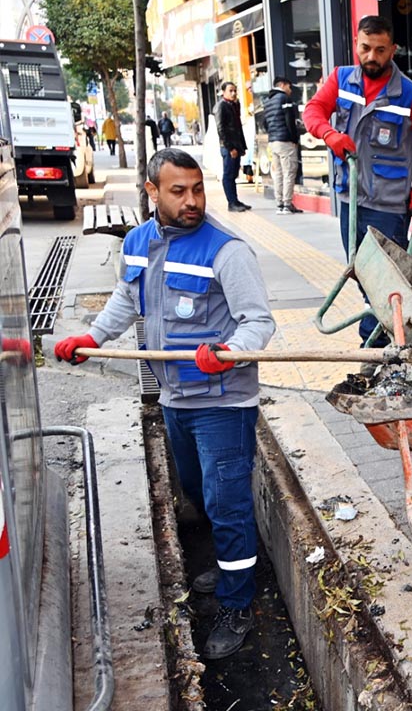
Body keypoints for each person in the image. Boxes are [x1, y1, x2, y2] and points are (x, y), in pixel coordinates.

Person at [52, 148, 276, 660]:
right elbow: (127, 301)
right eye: (179, 191)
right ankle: (225, 565)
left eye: (198, 189)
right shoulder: (137, 243)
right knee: (198, 492)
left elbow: (259, 323)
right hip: (175, 400)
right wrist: (92, 337)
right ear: (151, 191)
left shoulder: (228, 251)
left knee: (228, 505)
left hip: (223, 403)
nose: (192, 200)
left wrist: (230, 354)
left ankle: (238, 602)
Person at [303, 15, 412, 344]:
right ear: (356, 44)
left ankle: (377, 351)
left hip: (389, 208)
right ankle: (384, 346)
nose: (372, 56)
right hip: (350, 200)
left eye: (380, 50)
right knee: (364, 278)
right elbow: (312, 111)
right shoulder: (340, 80)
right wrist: (329, 134)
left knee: (383, 284)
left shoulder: (410, 95)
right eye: (365, 48)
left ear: (392, 50)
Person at [263, 77, 303, 214]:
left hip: (273, 141)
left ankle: (279, 203)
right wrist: (294, 138)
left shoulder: (268, 101)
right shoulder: (284, 98)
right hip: (285, 141)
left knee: (278, 173)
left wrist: (272, 134)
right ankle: (287, 204)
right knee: (289, 172)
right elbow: (289, 120)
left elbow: (264, 123)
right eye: (289, 86)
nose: (290, 90)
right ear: (282, 85)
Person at [215, 83, 252, 212]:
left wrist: (242, 146)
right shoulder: (221, 106)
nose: (233, 93)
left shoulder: (235, 105)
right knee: (228, 174)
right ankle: (231, 202)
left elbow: (238, 127)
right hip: (228, 147)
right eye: (230, 91)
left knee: (234, 174)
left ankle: (235, 200)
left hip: (237, 145)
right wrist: (230, 148)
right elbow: (221, 129)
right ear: (223, 92)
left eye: (235, 90)